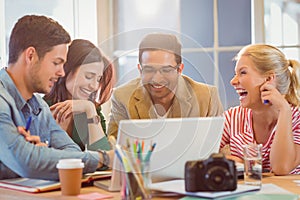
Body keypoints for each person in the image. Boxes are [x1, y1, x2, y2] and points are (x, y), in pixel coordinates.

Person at [0, 15, 112, 180]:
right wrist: (106, 158)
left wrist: (41, 155)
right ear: (30, 56)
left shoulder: (39, 106)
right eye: (56, 63)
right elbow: (29, 162)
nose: (61, 73)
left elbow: (71, 152)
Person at [107, 33, 224, 138]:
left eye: (166, 70)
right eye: (149, 69)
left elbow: (219, 147)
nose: (157, 79)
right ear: (140, 69)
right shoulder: (122, 97)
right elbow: (113, 148)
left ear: (180, 70)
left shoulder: (207, 97)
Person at [220, 44, 300, 175]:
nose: (233, 81)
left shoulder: (296, 119)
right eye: (236, 74)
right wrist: (226, 160)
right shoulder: (232, 118)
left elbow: (281, 168)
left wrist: (284, 110)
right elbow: (200, 156)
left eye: (243, 72)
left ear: (268, 79)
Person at [43, 39, 114, 151]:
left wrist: (89, 109)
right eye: (89, 76)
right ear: (66, 70)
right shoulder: (40, 108)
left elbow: (104, 159)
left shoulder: (91, 109)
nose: (94, 86)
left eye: (98, 79)